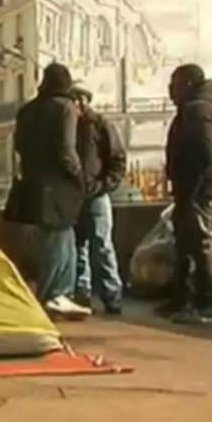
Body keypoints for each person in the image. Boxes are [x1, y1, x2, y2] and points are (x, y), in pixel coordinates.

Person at [13, 63, 91, 319]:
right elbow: (66, 150)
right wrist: (79, 176)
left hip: (34, 183)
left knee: (53, 240)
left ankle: (56, 295)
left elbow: (20, 147)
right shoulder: (64, 108)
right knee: (60, 240)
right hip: (59, 185)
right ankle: (55, 295)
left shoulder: (27, 111)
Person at [160, 64, 212, 324]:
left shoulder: (198, 111)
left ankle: (204, 303)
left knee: (199, 244)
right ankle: (183, 300)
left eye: (174, 84)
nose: (170, 91)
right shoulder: (199, 108)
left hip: (195, 190)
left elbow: (203, 153)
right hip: (193, 190)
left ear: (187, 84)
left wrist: (192, 192)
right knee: (187, 245)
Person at [69, 81, 127, 315]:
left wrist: (104, 185)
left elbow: (117, 159)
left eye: (78, 99)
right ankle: (83, 295)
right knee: (79, 247)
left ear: (85, 101)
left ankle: (111, 295)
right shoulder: (68, 127)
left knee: (101, 245)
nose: (75, 104)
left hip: (95, 196)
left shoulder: (101, 125)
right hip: (76, 196)